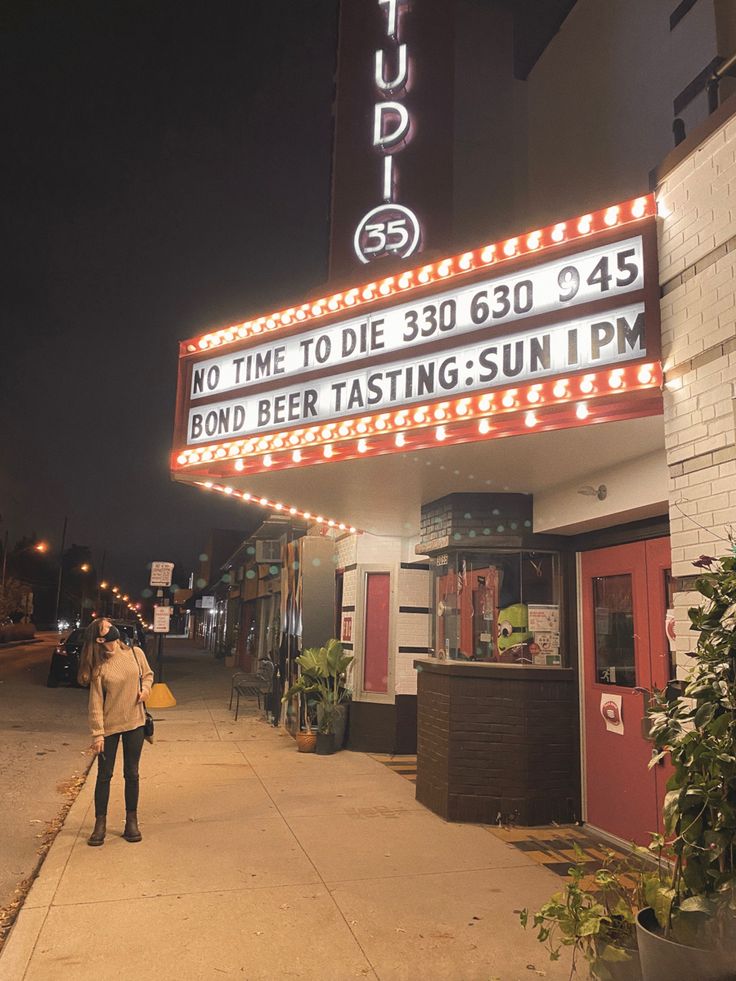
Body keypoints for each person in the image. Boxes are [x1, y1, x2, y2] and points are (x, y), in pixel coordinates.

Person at [78, 617, 154, 846]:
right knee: (104, 775)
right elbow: (95, 702)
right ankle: (99, 824)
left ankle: (131, 821)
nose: (112, 628)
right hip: (109, 728)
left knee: (132, 773)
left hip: (135, 723)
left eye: (110, 625)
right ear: (100, 638)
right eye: (107, 627)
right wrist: (97, 733)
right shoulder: (99, 666)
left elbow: (148, 675)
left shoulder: (135, 653)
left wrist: (145, 689)